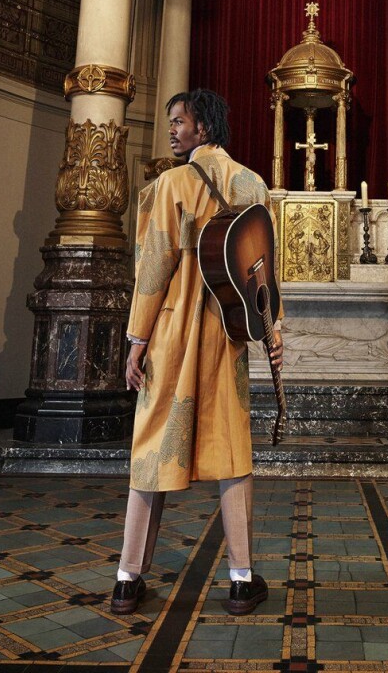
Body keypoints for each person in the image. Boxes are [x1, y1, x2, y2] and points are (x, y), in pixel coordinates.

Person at [111, 89, 284, 617]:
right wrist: (273, 332)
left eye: (179, 122)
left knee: (150, 452)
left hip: (171, 335)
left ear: (203, 127)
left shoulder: (171, 184)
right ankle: (239, 579)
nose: (172, 130)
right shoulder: (251, 182)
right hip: (225, 338)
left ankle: (125, 580)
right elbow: (264, 270)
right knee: (232, 456)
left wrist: (136, 342)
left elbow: (154, 266)